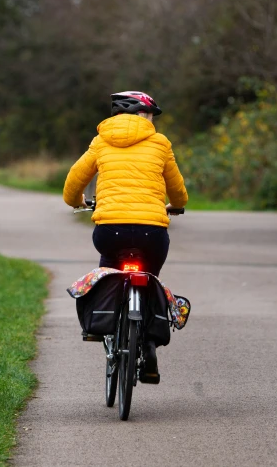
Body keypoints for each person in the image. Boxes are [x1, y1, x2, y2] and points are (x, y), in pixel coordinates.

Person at [63, 90, 189, 383]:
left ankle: (101, 323)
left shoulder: (101, 142)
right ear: (142, 115)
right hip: (151, 232)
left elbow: (73, 182)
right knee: (150, 276)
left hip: (111, 230)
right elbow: (178, 189)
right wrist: (177, 206)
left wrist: (77, 201)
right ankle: (148, 343)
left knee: (108, 269)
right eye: (149, 115)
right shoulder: (160, 143)